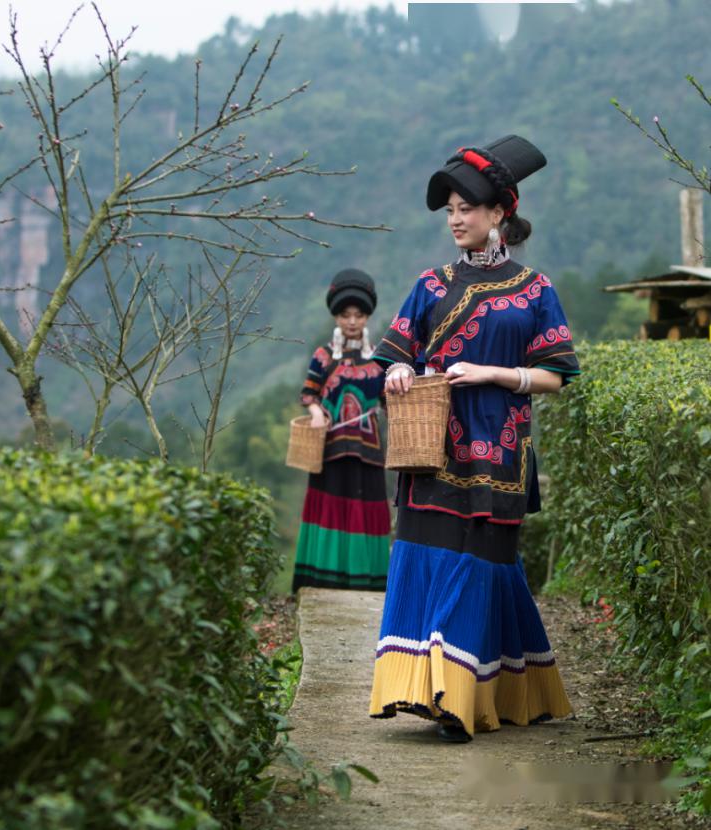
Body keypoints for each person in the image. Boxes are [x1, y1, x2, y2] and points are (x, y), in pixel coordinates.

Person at [367, 135, 580, 743]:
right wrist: (401, 370)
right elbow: (394, 356)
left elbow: (557, 375)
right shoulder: (429, 285)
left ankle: (460, 696)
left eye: (467, 208)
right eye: (450, 210)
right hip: (432, 450)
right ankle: (436, 690)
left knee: (482, 565)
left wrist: (493, 373)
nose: (456, 219)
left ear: (499, 215)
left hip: (502, 455)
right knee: (429, 558)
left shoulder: (534, 291)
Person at [293, 268, 390, 592]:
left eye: (359, 315)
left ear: (366, 317)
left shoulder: (379, 360)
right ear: (336, 316)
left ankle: (368, 581)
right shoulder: (323, 357)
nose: (352, 321)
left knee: (366, 510)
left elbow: (388, 401)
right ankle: (322, 580)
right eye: (345, 315)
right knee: (331, 510)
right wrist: (316, 411)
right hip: (331, 449)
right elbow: (308, 393)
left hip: (368, 452)